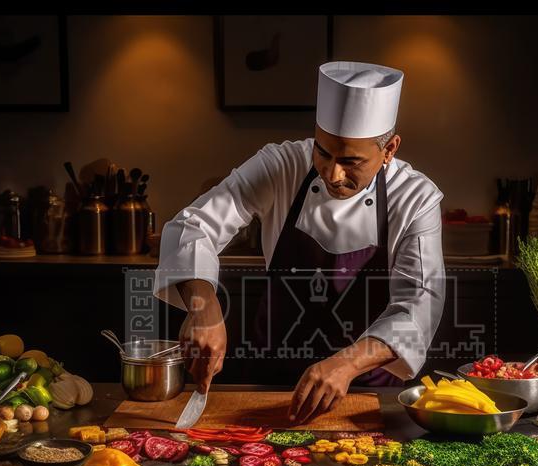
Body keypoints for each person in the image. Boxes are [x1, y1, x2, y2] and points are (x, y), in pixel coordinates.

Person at [154, 61, 445, 423]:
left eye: (351, 161)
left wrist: (346, 363)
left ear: (389, 150)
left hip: (365, 392)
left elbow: (418, 307)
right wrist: (203, 306)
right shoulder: (282, 165)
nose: (333, 173)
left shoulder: (415, 198)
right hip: (267, 382)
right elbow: (193, 225)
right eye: (323, 152)